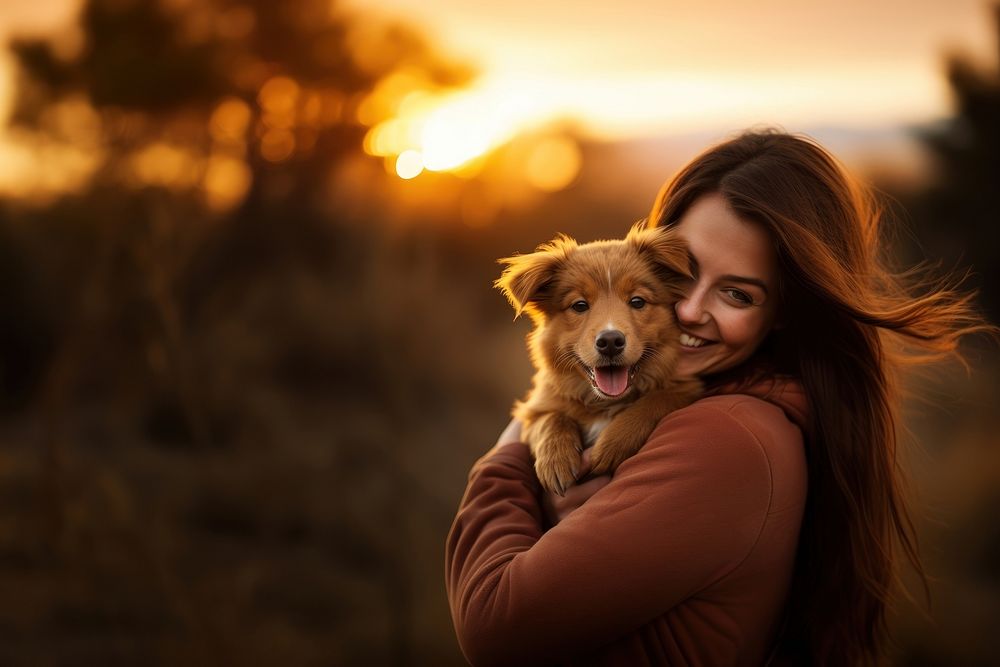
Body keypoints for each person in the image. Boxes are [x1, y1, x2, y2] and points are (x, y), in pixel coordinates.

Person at [445, 129, 993, 666]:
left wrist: (503, 456)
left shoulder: (727, 438)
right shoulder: (741, 402)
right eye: (685, 273)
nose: (686, 310)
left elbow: (496, 627)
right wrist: (543, 426)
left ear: (783, 312)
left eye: (737, 293)